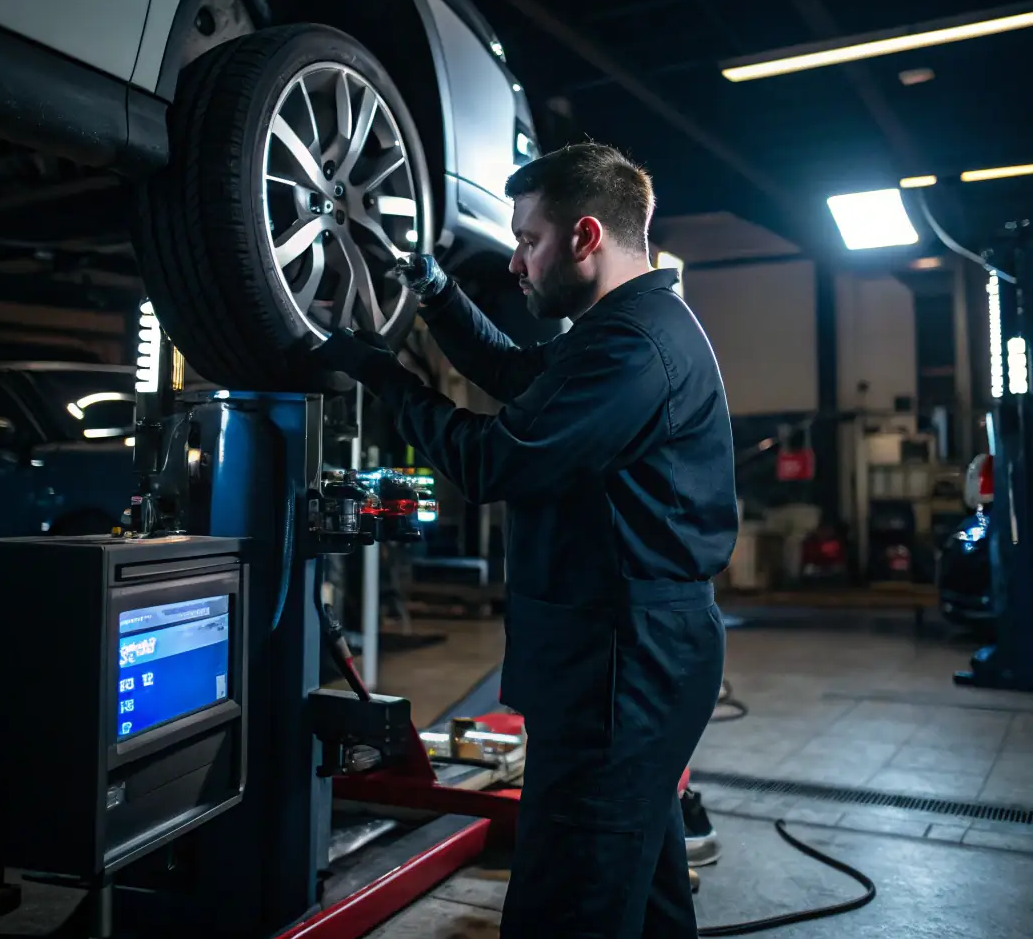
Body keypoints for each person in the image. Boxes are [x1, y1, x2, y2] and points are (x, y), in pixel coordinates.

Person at [312, 142, 737, 938]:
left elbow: (492, 460)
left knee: (566, 900)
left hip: (623, 661)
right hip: (626, 648)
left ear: (583, 237)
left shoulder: (631, 347)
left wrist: (385, 378)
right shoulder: (624, 325)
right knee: (639, 885)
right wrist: (432, 292)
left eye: (527, 241)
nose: (515, 262)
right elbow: (514, 375)